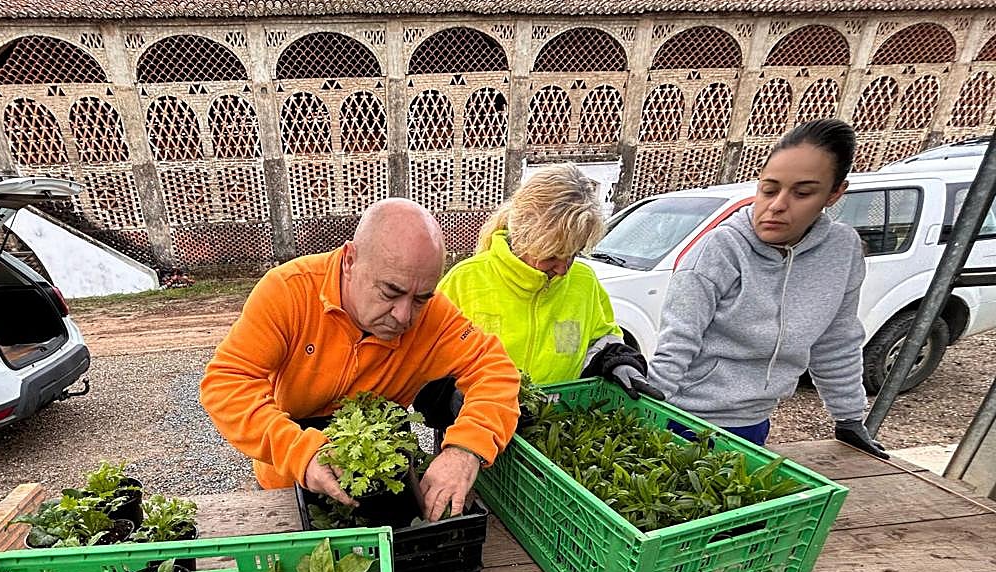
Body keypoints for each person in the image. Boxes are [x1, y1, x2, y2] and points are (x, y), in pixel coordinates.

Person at [200, 198, 522, 522]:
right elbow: (227, 383)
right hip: (288, 483)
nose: (404, 315)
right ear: (350, 260)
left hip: (383, 487)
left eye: (421, 298)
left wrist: (466, 449)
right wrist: (299, 452)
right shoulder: (289, 292)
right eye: (390, 292)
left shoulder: (432, 317)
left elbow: (495, 371)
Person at [647, 119, 887, 458]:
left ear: (834, 194)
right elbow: (677, 342)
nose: (777, 206)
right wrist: (641, 413)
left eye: (802, 193)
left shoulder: (842, 249)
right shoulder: (720, 249)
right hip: (683, 419)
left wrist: (849, 417)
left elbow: (837, 340)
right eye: (769, 189)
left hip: (753, 422)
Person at [433, 162, 662, 394]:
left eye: (573, 253)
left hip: (554, 422)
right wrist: (451, 401)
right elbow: (428, 366)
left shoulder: (584, 282)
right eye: (553, 255)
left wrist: (619, 362)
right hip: (476, 425)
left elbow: (601, 340)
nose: (563, 269)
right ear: (524, 235)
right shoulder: (464, 281)